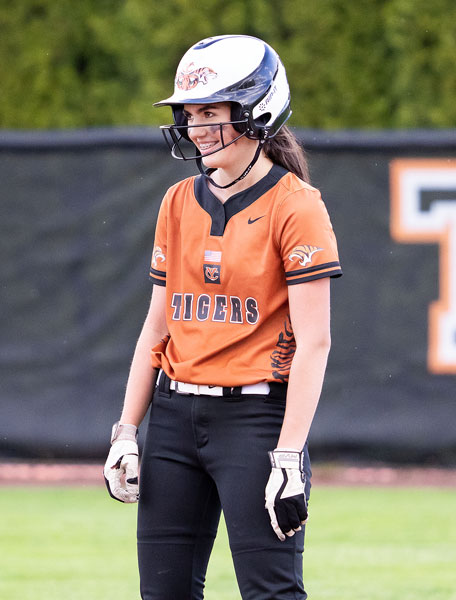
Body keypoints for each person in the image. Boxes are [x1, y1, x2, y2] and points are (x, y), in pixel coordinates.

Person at [104, 34, 342, 600]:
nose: (195, 127)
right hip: (172, 415)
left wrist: (287, 455)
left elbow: (315, 344)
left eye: (211, 112)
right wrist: (126, 430)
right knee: (163, 595)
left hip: (255, 421)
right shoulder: (177, 201)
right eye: (189, 114)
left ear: (257, 111)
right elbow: (156, 329)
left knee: (271, 593)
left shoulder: (296, 204)